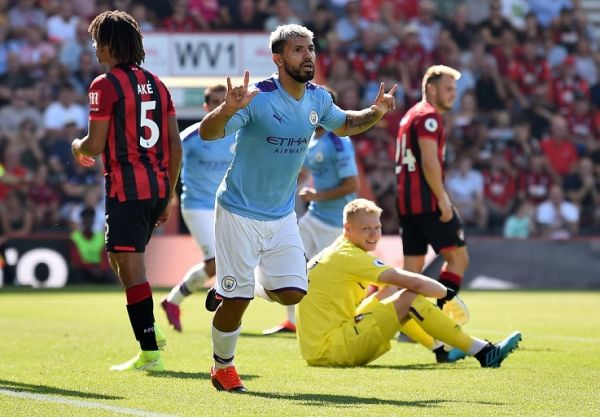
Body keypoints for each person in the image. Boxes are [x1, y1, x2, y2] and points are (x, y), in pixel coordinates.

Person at [198, 24, 398, 392]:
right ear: (278, 58)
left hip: (281, 213)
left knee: (293, 292)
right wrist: (226, 110)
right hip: (238, 210)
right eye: (297, 50)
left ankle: (231, 287)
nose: (308, 56)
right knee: (239, 300)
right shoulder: (257, 97)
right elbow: (208, 134)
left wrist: (376, 111)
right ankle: (222, 367)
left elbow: (347, 124)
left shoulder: (318, 99)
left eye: (311, 49)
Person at [71, 10, 182, 372]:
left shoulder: (104, 85)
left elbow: (96, 144)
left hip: (127, 189)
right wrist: (167, 196)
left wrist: (77, 146)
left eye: (96, 41)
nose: (93, 48)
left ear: (109, 44)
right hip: (156, 187)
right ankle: (150, 331)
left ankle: (150, 351)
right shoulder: (158, 84)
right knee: (121, 257)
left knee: (130, 267)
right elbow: (175, 145)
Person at [296, 198, 522, 368]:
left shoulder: (338, 250)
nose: (374, 234)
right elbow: (413, 282)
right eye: (366, 229)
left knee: (392, 295)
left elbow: (393, 287)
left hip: (318, 349)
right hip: (333, 348)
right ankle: (483, 352)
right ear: (347, 229)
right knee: (410, 296)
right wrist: (447, 294)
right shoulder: (350, 257)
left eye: (377, 227)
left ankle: (441, 348)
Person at [264, 87, 359, 335]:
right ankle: (292, 321)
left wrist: (318, 194)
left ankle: (356, 317)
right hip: (315, 216)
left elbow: (352, 185)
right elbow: (304, 173)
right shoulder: (311, 138)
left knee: (341, 277)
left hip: (337, 222)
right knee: (290, 261)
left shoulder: (340, 142)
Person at [393, 65, 471, 330]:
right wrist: (443, 199)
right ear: (431, 88)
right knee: (458, 259)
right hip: (428, 203)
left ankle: (383, 325)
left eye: (455, 90)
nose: (453, 95)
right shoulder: (429, 116)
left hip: (407, 205)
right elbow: (429, 162)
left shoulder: (409, 115)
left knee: (411, 277)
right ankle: (443, 327)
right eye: (449, 89)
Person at [161, 85, 235, 332]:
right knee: (215, 263)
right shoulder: (192, 137)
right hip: (197, 206)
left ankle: (173, 301)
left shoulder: (237, 134)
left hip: (226, 207)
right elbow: (169, 162)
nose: (219, 105)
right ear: (206, 107)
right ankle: (218, 301)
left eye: (222, 101)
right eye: (214, 101)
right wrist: (167, 197)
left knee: (222, 263)